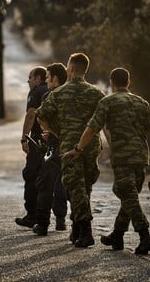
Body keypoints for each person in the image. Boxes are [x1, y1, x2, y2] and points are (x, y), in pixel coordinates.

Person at [61, 67, 150, 254]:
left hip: (123, 158)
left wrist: (78, 148)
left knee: (130, 197)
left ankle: (145, 236)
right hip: (141, 158)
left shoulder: (107, 102)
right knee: (128, 195)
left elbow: (92, 128)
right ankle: (117, 235)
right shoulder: (141, 102)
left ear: (112, 82)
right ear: (128, 82)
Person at [36, 53, 105, 248]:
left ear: (71, 69)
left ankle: (86, 231)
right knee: (84, 188)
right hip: (91, 145)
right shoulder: (97, 93)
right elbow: (103, 120)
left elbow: (40, 116)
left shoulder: (58, 93)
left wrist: (57, 132)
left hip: (69, 146)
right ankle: (76, 227)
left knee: (76, 188)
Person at [32, 63, 69, 236]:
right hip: (72, 145)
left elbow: (41, 118)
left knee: (45, 183)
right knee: (66, 182)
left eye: (47, 77)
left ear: (55, 78)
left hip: (53, 145)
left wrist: (52, 133)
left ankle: (42, 224)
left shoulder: (48, 96)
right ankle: (63, 221)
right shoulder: (72, 94)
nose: (46, 81)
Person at [15, 66, 49, 228]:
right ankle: (60, 219)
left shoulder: (35, 92)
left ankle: (32, 215)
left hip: (37, 142)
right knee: (49, 178)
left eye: (30, 77)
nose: (28, 81)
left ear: (38, 78)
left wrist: (24, 138)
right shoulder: (52, 91)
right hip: (53, 141)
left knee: (31, 175)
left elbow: (31, 115)